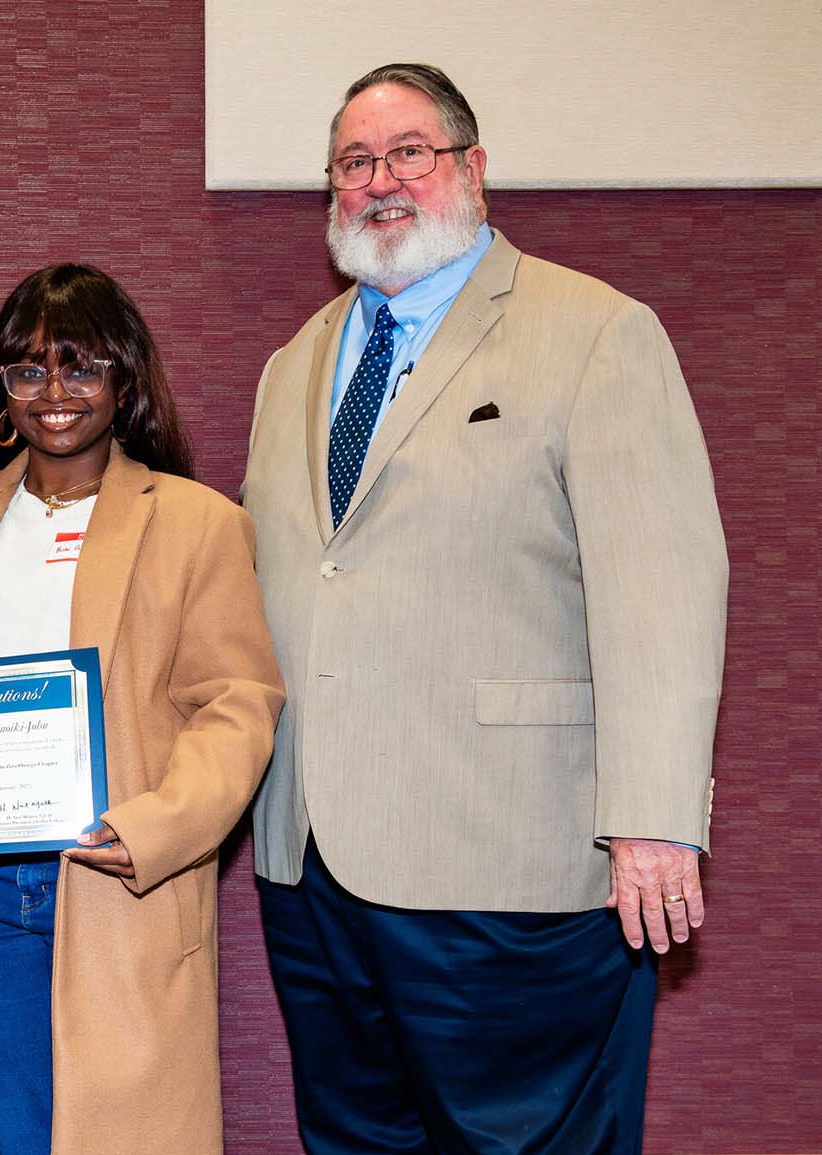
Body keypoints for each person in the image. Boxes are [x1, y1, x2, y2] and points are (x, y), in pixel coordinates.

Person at [239, 63, 728, 1153]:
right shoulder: (293, 368)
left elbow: (663, 588)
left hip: (509, 866)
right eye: (353, 162)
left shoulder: (593, 332)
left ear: (471, 168)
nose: (380, 182)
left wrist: (651, 819)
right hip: (313, 867)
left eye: (407, 152)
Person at [0, 264, 285, 1154]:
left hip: (123, 880)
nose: (55, 393)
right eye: (28, 369)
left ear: (124, 379)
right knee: (27, 1134)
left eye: (81, 366)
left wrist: (160, 825)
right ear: (2, 389)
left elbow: (236, 705)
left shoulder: (199, 523)